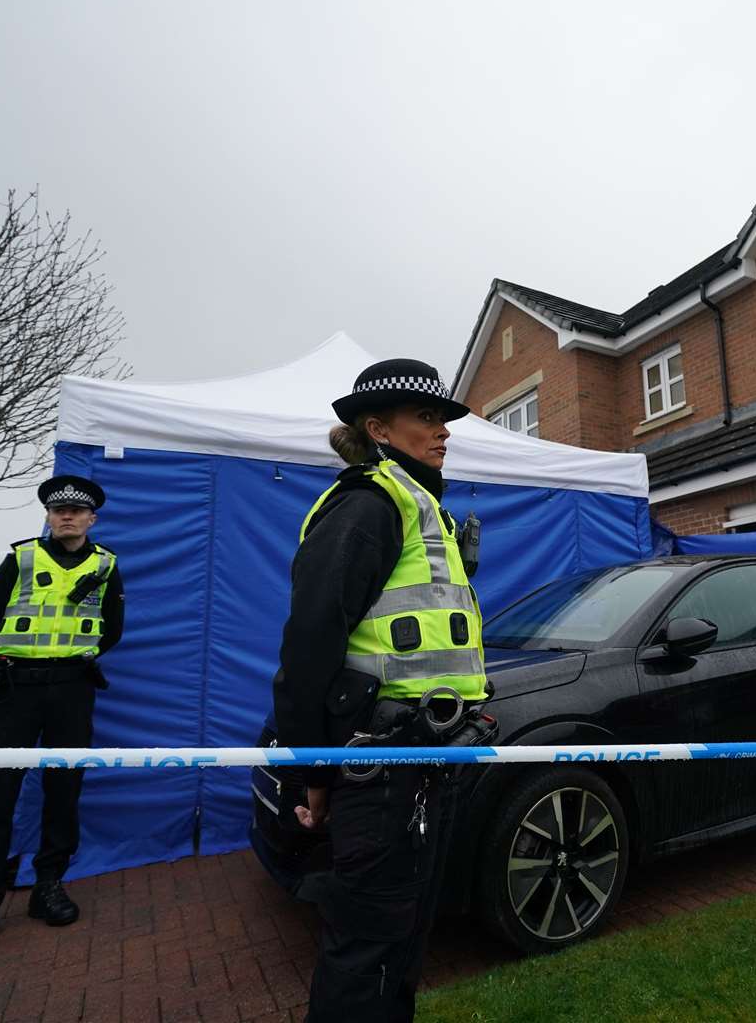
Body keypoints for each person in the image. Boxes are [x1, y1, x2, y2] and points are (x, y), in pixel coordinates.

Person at [274, 359, 489, 1022]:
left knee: (405, 942)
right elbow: (309, 644)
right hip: (382, 765)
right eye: (427, 417)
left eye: (444, 419)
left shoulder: (428, 511)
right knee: (367, 947)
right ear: (379, 428)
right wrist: (310, 772)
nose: (443, 432)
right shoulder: (369, 504)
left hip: (433, 762)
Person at [0, 474, 125, 958]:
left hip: (72, 690)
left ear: (92, 518)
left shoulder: (108, 567)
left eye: (76, 510)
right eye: (58, 510)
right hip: (16, 690)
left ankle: (49, 884)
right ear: (48, 516)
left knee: (64, 791)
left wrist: (71, 659)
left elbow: (112, 629)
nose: (66, 516)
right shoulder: (20, 558)